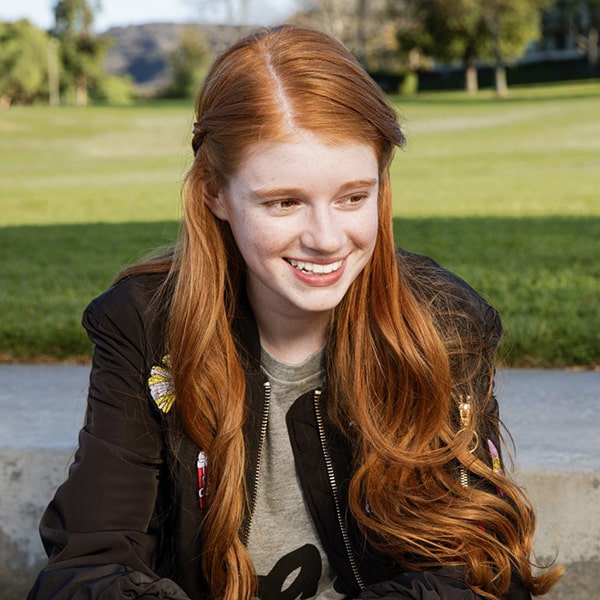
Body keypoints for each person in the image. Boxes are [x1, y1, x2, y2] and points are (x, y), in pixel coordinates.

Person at [28, 24, 561, 600]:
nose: (327, 239)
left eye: (354, 197)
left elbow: (482, 573)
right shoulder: (142, 327)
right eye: (284, 202)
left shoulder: (442, 324)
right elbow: (89, 565)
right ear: (214, 192)